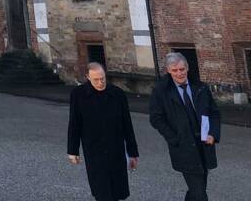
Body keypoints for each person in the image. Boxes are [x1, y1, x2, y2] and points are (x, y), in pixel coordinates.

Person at [149, 52, 221, 201]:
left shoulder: (200, 87)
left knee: (198, 188)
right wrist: (174, 138)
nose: (179, 73)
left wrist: (213, 133)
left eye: (182, 69)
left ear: (187, 68)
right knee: (199, 192)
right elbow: (156, 118)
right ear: (168, 71)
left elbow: (214, 113)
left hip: (204, 143)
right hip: (183, 145)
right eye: (175, 70)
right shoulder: (161, 91)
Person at [67, 62, 139, 201]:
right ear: (88, 77)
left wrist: (133, 152)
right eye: (96, 80)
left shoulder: (118, 94)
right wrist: (73, 150)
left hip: (116, 149)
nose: (100, 82)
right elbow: (74, 122)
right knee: (102, 191)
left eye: (103, 78)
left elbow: (127, 125)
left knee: (117, 191)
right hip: (94, 150)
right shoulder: (78, 94)